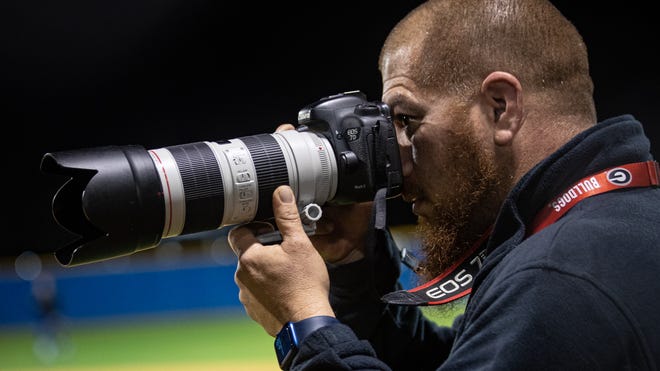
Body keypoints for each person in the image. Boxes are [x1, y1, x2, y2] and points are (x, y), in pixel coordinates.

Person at [228, 0, 660, 369]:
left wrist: (305, 323)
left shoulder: (559, 279)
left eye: (406, 120)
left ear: (501, 108)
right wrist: (353, 273)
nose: (397, 166)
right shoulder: (617, 224)